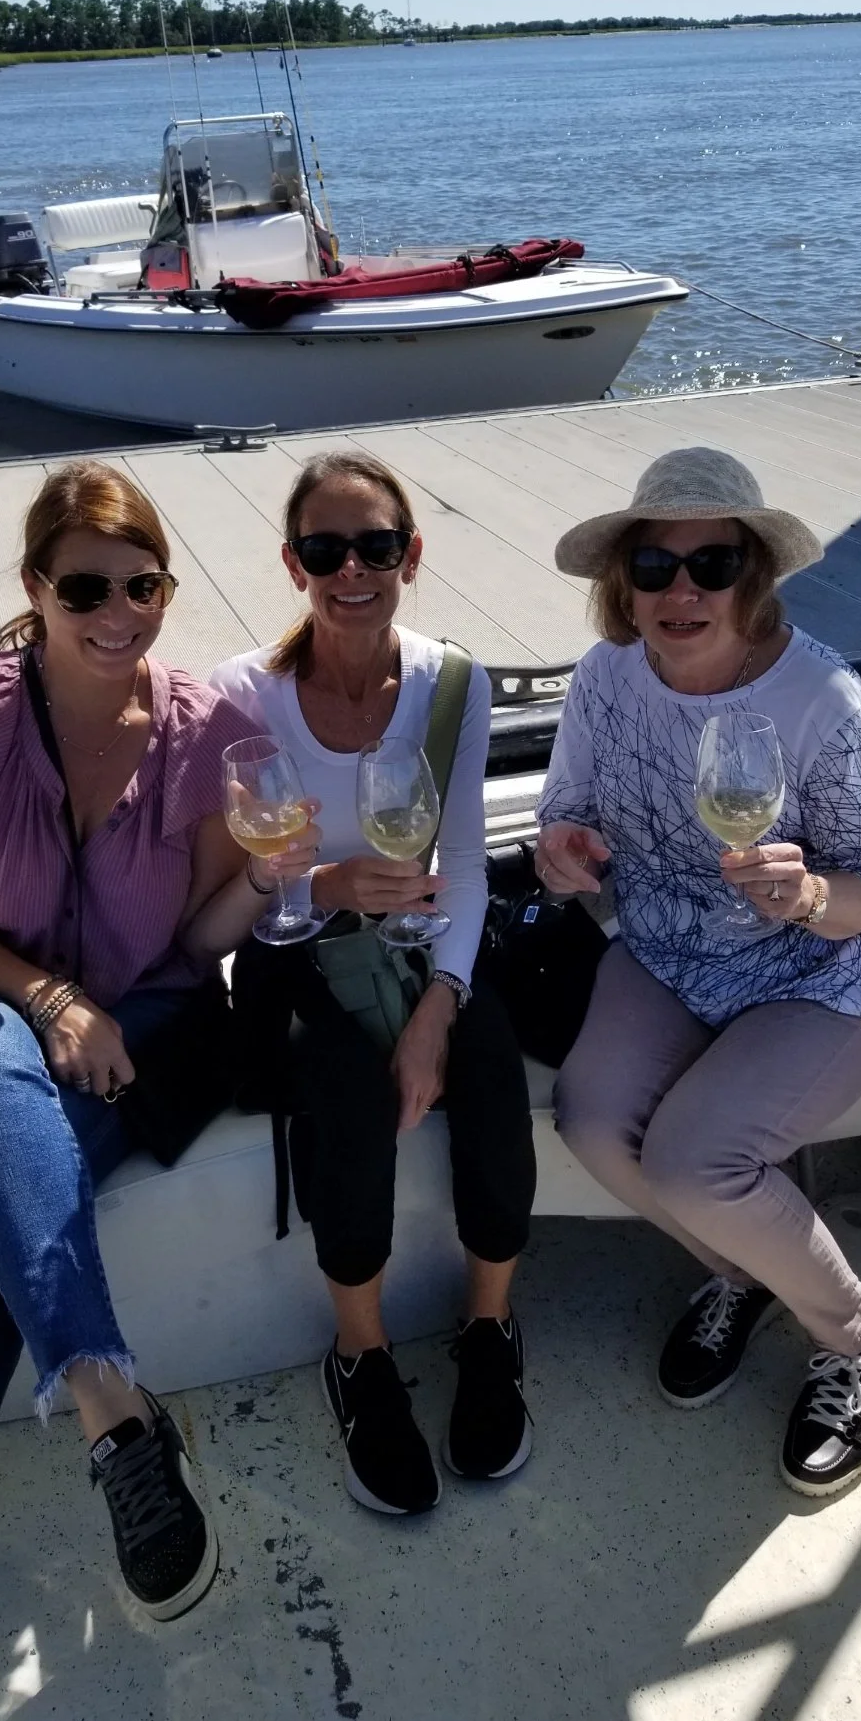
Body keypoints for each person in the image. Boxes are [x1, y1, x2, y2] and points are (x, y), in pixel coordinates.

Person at [0, 462, 314, 1721]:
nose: (117, 612)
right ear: (36, 588)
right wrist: (48, 999)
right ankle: (112, 1408)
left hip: (122, 1035)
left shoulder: (204, 731)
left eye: (142, 585)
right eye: (85, 587)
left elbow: (195, 942)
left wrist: (269, 878)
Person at [536, 446, 861, 1499]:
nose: (682, 590)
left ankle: (858, 1335)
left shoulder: (822, 698)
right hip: (666, 952)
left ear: (756, 578)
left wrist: (807, 893)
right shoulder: (607, 677)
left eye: (715, 564)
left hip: (815, 971)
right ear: (625, 584)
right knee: (591, 1123)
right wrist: (563, 851)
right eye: (655, 566)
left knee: (695, 1164)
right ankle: (742, 1274)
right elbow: (567, 812)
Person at [211, 451, 537, 1518]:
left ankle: (489, 1325)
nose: (351, 569)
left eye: (376, 546)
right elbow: (237, 887)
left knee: (489, 1060)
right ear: (293, 564)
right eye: (325, 549)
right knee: (345, 1089)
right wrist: (327, 882)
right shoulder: (243, 694)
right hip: (300, 945)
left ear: (411, 554)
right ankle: (360, 1353)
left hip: (418, 941)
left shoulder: (452, 684)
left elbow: (467, 866)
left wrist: (441, 1005)